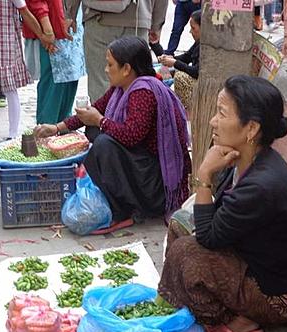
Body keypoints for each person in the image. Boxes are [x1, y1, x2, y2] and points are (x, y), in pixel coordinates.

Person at [158, 75, 287, 332]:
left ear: (251, 128)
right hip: (255, 261)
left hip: (279, 299)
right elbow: (214, 221)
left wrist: (205, 173)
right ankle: (191, 302)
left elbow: (207, 238)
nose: (212, 121)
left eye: (222, 113)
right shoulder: (244, 158)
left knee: (187, 253)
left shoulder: (261, 185)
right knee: (179, 223)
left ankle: (240, 321)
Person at [34, 36, 191, 234]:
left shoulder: (144, 92)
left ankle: (123, 210)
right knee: (95, 133)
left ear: (126, 69)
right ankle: (118, 200)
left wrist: (100, 120)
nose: (106, 70)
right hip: (141, 167)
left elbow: (132, 135)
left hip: (154, 181)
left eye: (110, 64)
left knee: (103, 144)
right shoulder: (121, 88)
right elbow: (94, 110)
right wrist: (56, 128)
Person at [63, 0, 168, 139]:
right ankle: (121, 139)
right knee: (136, 83)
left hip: (99, 17)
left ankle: (105, 140)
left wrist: (70, 14)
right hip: (138, 17)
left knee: (101, 83)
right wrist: (156, 23)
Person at [0, 0, 54, 151]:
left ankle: (13, 135)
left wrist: (41, 35)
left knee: (10, 90)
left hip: (7, 45)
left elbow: (25, 13)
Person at [23, 0, 78, 124]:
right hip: (51, 26)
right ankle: (47, 129)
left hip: (70, 23)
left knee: (70, 79)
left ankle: (64, 127)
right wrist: (46, 27)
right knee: (53, 83)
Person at [157, 9, 201, 111]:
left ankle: (186, 110)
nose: (190, 32)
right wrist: (169, 59)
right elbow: (186, 57)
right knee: (164, 71)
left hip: (199, 82)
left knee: (180, 76)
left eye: (193, 28)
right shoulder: (198, 43)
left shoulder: (206, 47)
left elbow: (196, 72)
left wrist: (174, 63)